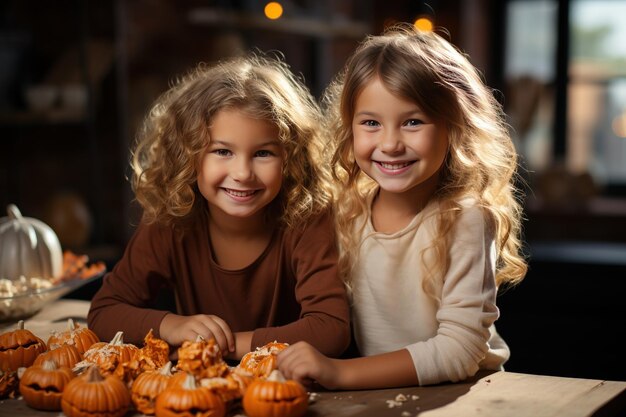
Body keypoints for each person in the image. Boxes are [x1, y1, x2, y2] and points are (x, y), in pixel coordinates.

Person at [277, 24, 528, 388]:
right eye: (371, 123)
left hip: (463, 396)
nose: (391, 143)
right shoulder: (345, 210)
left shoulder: (466, 217)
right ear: (350, 128)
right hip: (378, 393)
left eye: (412, 122)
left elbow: (460, 350)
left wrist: (339, 373)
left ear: (454, 126)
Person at [87, 53, 351, 360]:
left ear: (291, 159)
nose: (242, 174)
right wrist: (169, 325)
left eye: (263, 154)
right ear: (187, 155)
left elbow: (331, 329)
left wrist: (217, 346)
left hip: (284, 388)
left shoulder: (307, 218)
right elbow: (104, 311)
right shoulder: (170, 219)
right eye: (222, 151)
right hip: (195, 391)